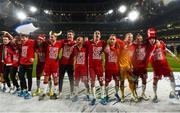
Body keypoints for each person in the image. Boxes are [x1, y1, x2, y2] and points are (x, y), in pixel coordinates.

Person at [146, 27, 179, 103]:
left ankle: (174, 92)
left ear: (154, 38)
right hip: (156, 68)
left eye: (152, 38)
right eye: (150, 38)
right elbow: (148, 58)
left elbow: (166, 50)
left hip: (165, 66)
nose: (151, 40)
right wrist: (154, 47)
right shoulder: (147, 47)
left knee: (172, 77)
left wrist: (173, 55)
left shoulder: (160, 43)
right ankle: (155, 95)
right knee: (155, 82)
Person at [84, 30, 106, 105]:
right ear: (93, 35)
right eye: (95, 33)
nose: (97, 34)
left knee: (101, 82)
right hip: (91, 67)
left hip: (100, 67)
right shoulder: (88, 43)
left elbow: (110, 42)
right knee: (92, 82)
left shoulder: (103, 43)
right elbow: (81, 44)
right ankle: (94, 97)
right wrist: (85, 40)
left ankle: (102, 97)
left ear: (100, 36)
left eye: (98, 33)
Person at [39, 31, 62, 100]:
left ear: (56, 37)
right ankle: (44, 93)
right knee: (46, 78)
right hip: (47, 64)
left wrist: (57, 33)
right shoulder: (47, 43)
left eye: (52, 37)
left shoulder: (59, 43)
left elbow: (67, 42)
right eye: (50, 37)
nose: (51, 38)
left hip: (55, 65)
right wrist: (42, 38)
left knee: (55, 78)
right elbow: (40, 42)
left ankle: (55, 93)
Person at [118, 33, 138, 103]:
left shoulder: (132, 46)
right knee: (122, 82)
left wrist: (132, 65)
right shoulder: (121, 43)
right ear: (125, 37)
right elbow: (113, 39)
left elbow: (131, 57)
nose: (130, 39)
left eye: (131, 37)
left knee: (131, 81)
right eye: (129, 37)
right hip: (121, 67)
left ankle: (133, 94)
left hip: (128, 66)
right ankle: (122, 95)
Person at [72, 36, 90, 102]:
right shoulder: (74, 48)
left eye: (79, 40)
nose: (78, 41)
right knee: (76, 82)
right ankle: (76, 95)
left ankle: (87, 94)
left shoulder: (86, 48)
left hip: (84, 69)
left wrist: (86, 41)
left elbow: (89, 44)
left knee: (85, 82)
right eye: (77, 40)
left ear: (82, 41)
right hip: (77, 68)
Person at [104, 34, 121, 104]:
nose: (112, 40)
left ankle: (116, 93)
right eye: (111, 39)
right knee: (107, 82)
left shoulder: (118, 47)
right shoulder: (106, 47)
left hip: (116, 69)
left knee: (117, 82)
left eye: (113, 39)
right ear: (109, 40)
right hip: (108, 69)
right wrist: (107, 44)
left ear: (116, 40)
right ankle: (106, 95)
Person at [59, 30, 76, 98]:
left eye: (70, 34)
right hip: (62, 63)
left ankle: (72, 92)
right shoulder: (63, 41)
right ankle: (60, 92)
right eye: (68, 34)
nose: (69, 35)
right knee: (61, 78)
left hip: (70, 64)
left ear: (73, 36)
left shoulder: (75, 43)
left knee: (71, 78)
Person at [18, 33, 35, 99]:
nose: (22, 39)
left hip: (29, 63)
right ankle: (24, 89)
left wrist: (33, 56)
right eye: (21, 38)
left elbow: (39, 42)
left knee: (29, 77)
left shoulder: (31, 42)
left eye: (24, 38)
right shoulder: (22, 43)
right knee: (21, 76)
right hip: (22, 63)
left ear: (27, 38)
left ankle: (29, 91)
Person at [132, 34, 148, 100]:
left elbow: (151, 42)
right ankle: (135, 94)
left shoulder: (145, 45)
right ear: (136, 39)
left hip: (143, 67)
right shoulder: (133, 46)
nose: (139, 40)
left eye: (140, 39)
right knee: (135, 81)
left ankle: (143, 93)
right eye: (137, 39)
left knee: (144, 80)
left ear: (142, 39)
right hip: (135, 67)